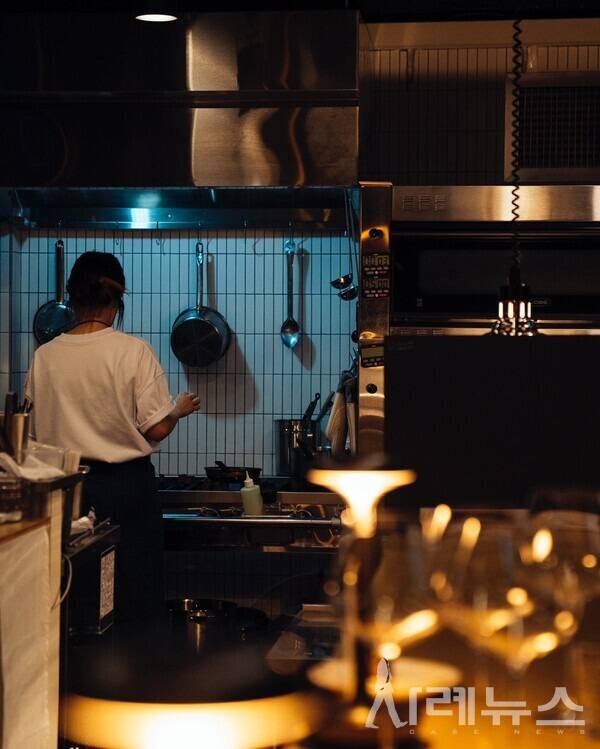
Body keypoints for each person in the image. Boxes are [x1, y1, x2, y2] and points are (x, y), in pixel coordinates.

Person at [25, 251, 199, 621]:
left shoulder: (45, 357)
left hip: (64, 492)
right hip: (125, 493)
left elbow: (33, 432)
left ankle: (75, 660)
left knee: (73, 601)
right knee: (131, 598)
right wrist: (177, 411)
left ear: (72, 298)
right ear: (117, 300)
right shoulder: (133, 352)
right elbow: (156, 428)